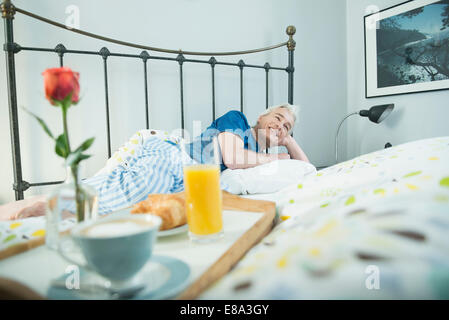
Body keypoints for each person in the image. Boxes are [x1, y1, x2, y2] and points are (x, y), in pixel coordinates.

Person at [0, 103, 310, 220]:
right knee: (116, 197)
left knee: (113, 203)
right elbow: (232, 157)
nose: (280, 126)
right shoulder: (238, 119)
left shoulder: (272, 149)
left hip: (187, 178)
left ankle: (32, 208)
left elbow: (307, 169)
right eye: (277, 118)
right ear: (261, 116)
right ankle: (29, 211)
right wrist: (277, 150)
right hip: (175, 157)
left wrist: (289, 141)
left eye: (286, 127)